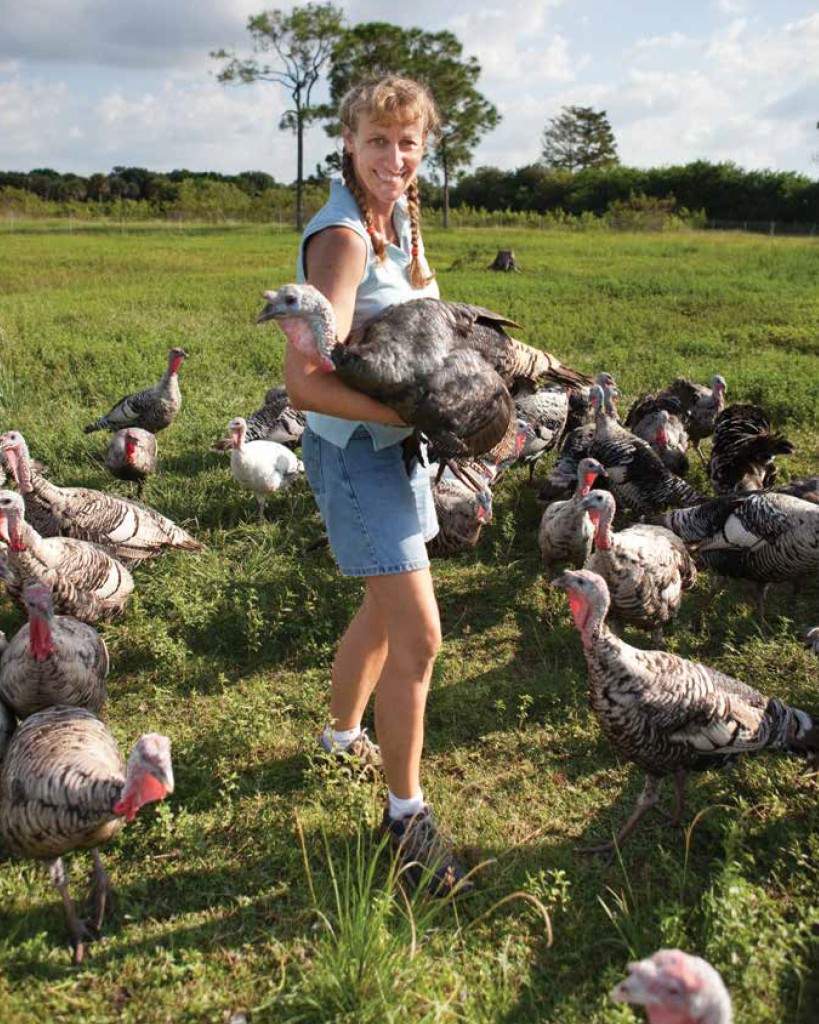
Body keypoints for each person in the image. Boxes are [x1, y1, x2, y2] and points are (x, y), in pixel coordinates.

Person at [284, 75, 469, 896]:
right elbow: (303, 385)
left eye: (408, 143)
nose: (393, 157)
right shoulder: (344, 242)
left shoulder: (389, 226)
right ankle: (403, 817)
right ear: (348, 144)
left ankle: (339, 738)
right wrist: (416, 413)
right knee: (420, 638)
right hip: (359, 454)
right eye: (376, 141)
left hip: (394, 453)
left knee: (382, 612)